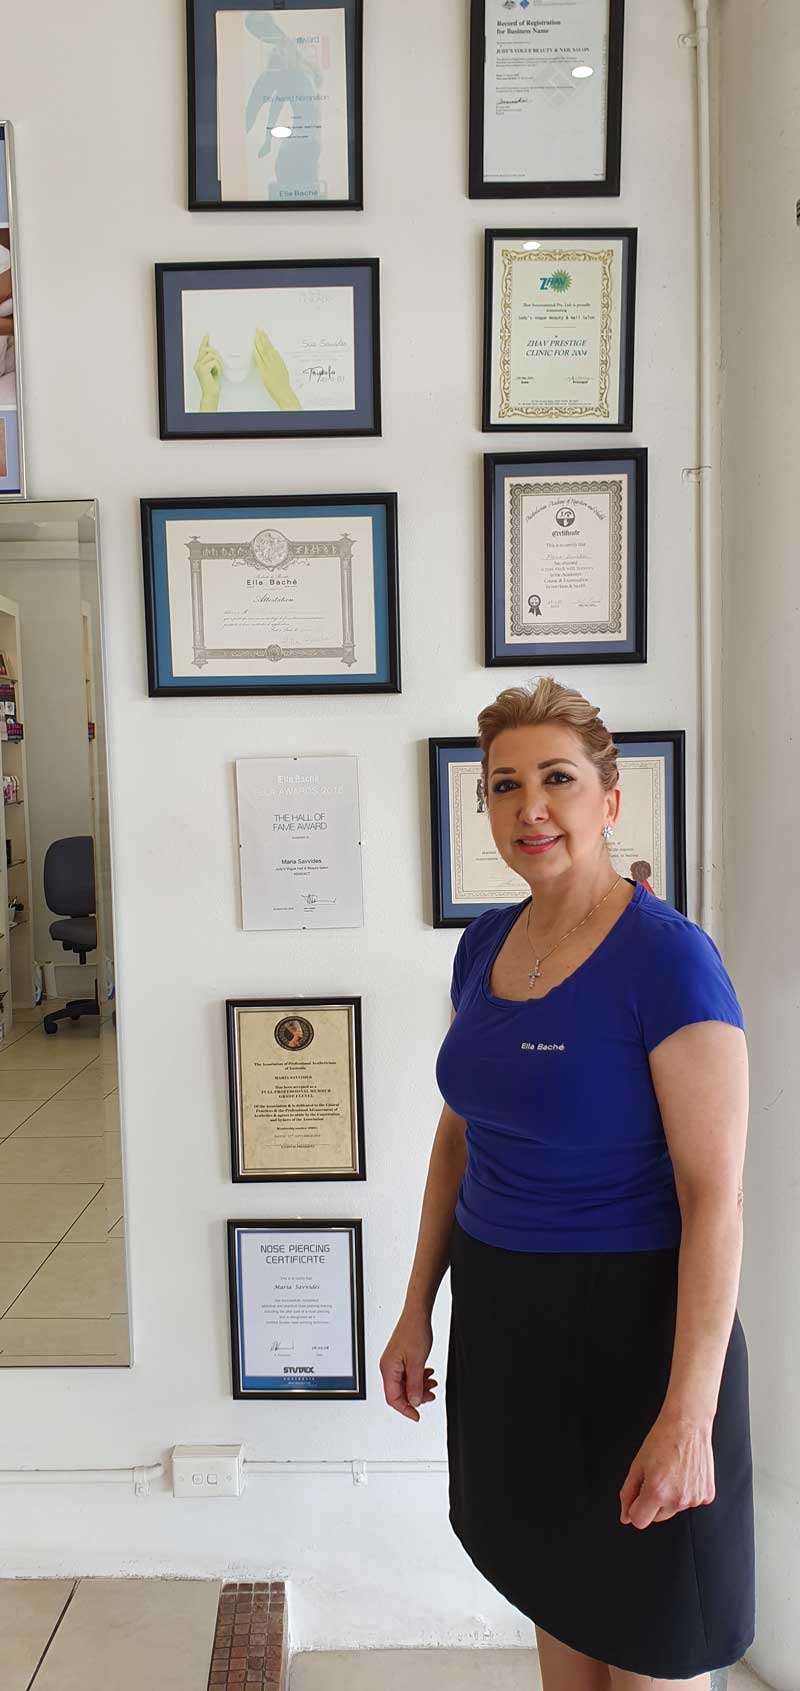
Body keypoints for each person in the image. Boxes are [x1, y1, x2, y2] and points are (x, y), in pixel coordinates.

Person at [380, 678, 754, 1690]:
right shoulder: (484, 945)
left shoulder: (667, 962)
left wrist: (686, 1414)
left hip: (638, 1333)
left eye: (555, 778)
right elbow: (458, 1136)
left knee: (647, 1644)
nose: (527, 807)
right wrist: (415, 1307)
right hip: (508, 1325)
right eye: (503, 785)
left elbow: (712, 1197)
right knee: (560, 1603)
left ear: (608, 795)